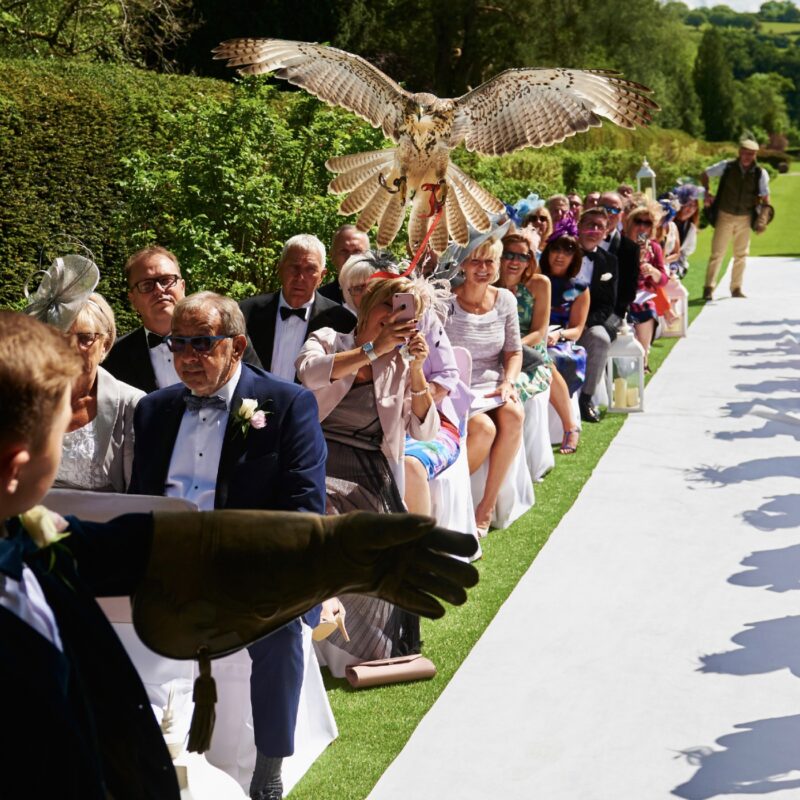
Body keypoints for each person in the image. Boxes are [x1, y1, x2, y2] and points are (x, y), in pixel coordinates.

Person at [0, 310, 478, 800]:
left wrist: (326, 553)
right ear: (17, 465)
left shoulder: (27, 536)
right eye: (58, 435)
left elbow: (150, 544)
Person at [129, 291, 328, 800]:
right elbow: (140, 504)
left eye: (202, 344)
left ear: (237, 346)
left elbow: (304, 511)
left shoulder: (286, 404)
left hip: (253, 569)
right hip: (170, 566)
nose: (187, 358)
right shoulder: (153, 410)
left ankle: (268, 768)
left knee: (279, 624)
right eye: (178, 344)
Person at [296, 276, 439, 675]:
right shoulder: (329, 339)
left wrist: (416, 371)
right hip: (315, 454)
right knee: (322, 512)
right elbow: (309, 374)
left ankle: (355, 641)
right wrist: (372, 350)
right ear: (367, 306)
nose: (394, 319)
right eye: (387, 308)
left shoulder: (401, 363)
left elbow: (424, 432)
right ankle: (323, 608)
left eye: (404, 313)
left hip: (369, 468)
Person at [336, 253, 469, 517]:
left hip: (426, 419)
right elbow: (314, 374)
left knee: (409, 464)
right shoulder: (337, 327)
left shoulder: (420, 319)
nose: (368, 293)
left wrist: (407, 400)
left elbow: (447, 376)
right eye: (358, 288)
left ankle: (414, 544)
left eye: (376, 286)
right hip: (360, 437)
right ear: (347, 293)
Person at [24, 254, 143, 493]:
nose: (72, 348)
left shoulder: (132, 404)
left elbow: (136, 491)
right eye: (62, 338)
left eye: (86, 338)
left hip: (104, 525)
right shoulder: (25, 396)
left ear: (106, 344)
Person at [444, 229, 524, 535]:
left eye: (490, 262)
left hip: (493, 385)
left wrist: (510, 382)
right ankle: (455, 496)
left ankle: (486, 507)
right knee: (485, 428)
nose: (483, 268)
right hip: (456, 387)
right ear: (462, 265)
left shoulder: (505, 300)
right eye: (475, 261)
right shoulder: (446, 303)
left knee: (514, 414)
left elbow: (514, 351)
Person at [104, 246, 261, 392]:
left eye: (166, 280)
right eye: (146, 285)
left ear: (182, 286)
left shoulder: (227, 336)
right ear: (132, 299)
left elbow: (258, 389)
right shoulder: (115, 356)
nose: (159, 290)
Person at [240, 235, 354, 380]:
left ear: (322, 276)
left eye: (310, 269)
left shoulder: (342, 321)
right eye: (294, 267)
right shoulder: (245, 312)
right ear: (280, 268)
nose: (300, 277)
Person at [538, 221, 589, 453]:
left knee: (548, 359)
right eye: (556, 249)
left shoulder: (579, 288)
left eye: (568, 251)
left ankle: (570, 427)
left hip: (561, 342)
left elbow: (577, 329)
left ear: (575, 257)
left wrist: (558, 334)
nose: (560, 255)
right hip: (532, 337)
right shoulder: (535, 279)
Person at [701, 137, 770, 300]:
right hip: (724, 215)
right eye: (745, 153)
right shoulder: (727, 166)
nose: (747, 157)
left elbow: (766, 198)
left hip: (745, 218)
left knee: (741, 254)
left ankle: (736, 288)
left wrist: (762, 221)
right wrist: (707, 191)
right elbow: (704, 174)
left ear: (755, 155)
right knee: (717, 253)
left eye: (751, 154)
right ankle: (709, 287)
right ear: (739, 152)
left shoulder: (761, 173)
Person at [496, 230, 553, 402]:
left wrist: (513, 347)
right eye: (509, 255)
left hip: (528, 350)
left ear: (529, 261)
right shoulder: (488, 284)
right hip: (492, 346)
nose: (515, 261)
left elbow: (539, 332)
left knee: (511, 389)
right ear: (499, 256)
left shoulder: (540, 284)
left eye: (522, 256)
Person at [574, 208, 619, 424]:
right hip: (556, 319)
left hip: (589, 322)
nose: (593, 230)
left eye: (599, 227)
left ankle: (586, 398)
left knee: (601, 337)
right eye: (590, 224)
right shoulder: (562, 250)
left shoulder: (609, 261)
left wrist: (583, 324)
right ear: (579, 225)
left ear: (606, 231)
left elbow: (608, 304)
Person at [624, 206, 669, 370]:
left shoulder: (654, 248)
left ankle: (643, 359)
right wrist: (636, 259)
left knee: (648, 311)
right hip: (623, 297)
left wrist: (653, 271)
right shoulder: (622, 243)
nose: (642, 227)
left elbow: (663, 280)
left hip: (643, 298)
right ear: (630, 223)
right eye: (638, 222)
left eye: (647, 223)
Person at [598, 191, 640, 321]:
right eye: (604, 208)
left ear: (621, 215)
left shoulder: (630, 249)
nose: (609, 213)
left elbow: (628, 293)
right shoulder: (579, 242)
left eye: (614, 210)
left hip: (613, 313)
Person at [318, 225, 371, 303]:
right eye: (344, 251)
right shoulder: (319, 300)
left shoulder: (385, 294)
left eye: (357, 251)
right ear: (332, 256)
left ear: (369, 256)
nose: (350, 258)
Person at [673, 184, 701, 278]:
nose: (691, 209)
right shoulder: (668, 222)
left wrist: (680, 268)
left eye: (694, 206)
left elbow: (686, 252)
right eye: (688, 205)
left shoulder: (691, 228)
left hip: (676, 267)